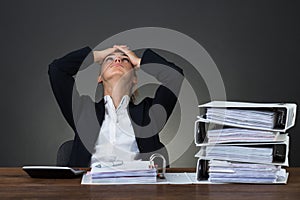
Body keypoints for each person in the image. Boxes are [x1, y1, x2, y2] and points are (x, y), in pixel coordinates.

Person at [48, 45, 184, 167]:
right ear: (100, 77)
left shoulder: (149, 113)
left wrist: (139, 61)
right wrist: (95, 56)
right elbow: (57, 70)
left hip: (140, 190)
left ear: (134, 78)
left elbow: (174, 76)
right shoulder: (84, 112)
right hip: (89, 190)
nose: (118, 61)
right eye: (110, 59)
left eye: (125, 60)